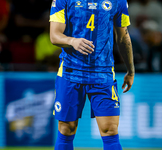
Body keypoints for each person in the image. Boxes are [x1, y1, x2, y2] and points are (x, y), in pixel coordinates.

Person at [49, 0, 135, 149]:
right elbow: (54, 35)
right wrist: (72, 41)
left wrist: (131, 70)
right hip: (70, 72)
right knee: (66, 129)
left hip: (103, 73)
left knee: (110, 130)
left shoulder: (118, 1)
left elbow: (123, 37)